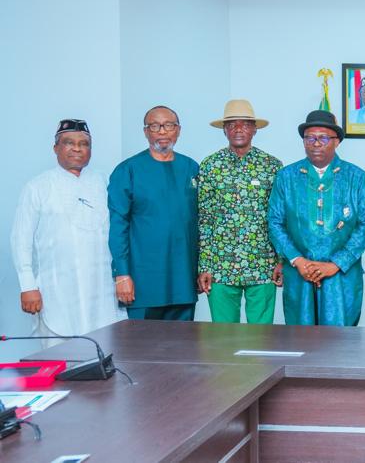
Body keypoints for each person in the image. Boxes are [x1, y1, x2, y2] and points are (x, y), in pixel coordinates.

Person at [12, 119, 125, 346]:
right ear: (56, 148)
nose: (77, 148)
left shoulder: (104, 182)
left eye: (84, 144)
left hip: (101, 290)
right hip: (57, 289)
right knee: (58, 354)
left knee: (105, 350)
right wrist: (28, 286)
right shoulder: (38, 187)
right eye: (69, 143)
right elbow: (20, 239)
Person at [268, 111, 365, 326]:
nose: (316, 143)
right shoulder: (286, 177)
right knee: (300, 338)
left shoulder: (356, 177)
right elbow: (275, 221)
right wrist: (298, 260)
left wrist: (336, 264)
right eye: (310, 138)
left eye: (323, 138)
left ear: (337, 142)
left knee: (340, 339)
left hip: (341, 275)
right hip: (299, 273)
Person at [108, 106, 200, 320]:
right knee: (141, 340)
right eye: (155, 126)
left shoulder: (191, 168)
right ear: (145, 131)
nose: (162, 131)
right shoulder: (128, 170)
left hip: (183, 280)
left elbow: (201, 222)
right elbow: (118, 225)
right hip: (142, 281)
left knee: (183, 340)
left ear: (178, 130)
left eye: (169, 125)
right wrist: (122, 274)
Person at [197, 100, 283, 324]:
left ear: (254, 129)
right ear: (224, 130)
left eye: (245, 124)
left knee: (261, 335)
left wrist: (281, 261)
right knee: (223, 336)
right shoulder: (210, 165)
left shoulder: (272, 166)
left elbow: (280, 218)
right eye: (232, 124)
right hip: (220, 266)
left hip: (263, 264)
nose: (238, 129)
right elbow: (204, 220)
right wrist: (204, 266)